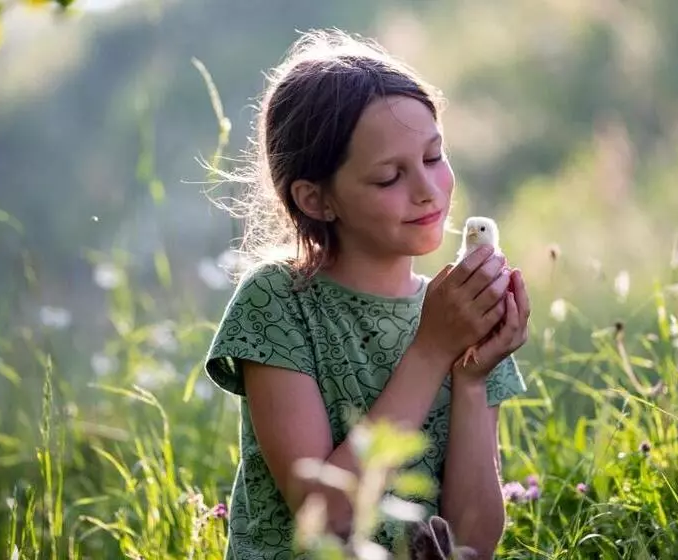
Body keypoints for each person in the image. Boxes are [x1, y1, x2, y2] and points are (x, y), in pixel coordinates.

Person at [203, 28, 530, 560]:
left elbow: (474, 541)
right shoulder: (277, 301)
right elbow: (320, 515)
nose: (427, 189)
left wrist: (470, 378)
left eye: (432, 156)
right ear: (316, 199)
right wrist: (429, 351)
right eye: (388, 177)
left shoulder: (457, 316)